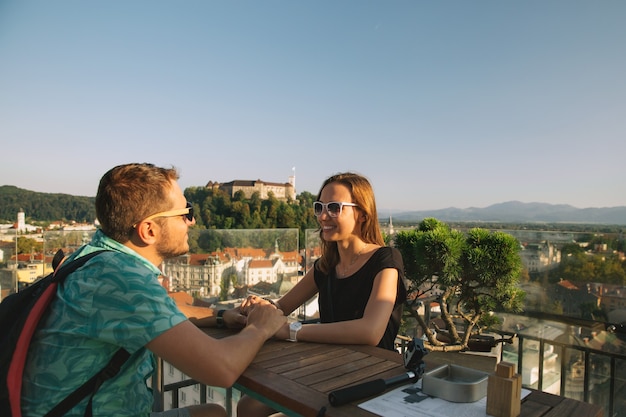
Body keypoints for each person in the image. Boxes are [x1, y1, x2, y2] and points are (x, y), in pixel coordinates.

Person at [21, 163, 286, 417]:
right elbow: (222, 370)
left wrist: (219, 315)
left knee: (212, 413)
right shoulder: (122, 279)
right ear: (148, 230)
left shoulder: (96, 257)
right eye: (185, 213)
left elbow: (165, 310)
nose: (191, 222)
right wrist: (261, 326)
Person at [237, 172, 407, 417]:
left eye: (335, 208)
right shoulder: (326, 265)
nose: (323, 216)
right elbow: (281, 307)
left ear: (362, 213)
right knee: (248, 406)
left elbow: (370, 331)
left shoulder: (386, 259)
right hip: (330, 364)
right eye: (320, 207)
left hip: (373, 371)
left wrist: (291, 331)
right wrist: (260, 306)